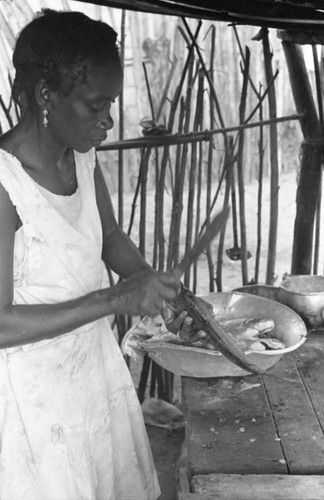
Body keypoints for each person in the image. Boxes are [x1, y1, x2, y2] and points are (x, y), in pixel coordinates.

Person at [0, 9, 196, 500]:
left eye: (110, 102)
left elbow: (108, 237)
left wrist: (152, 282)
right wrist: (114, 301)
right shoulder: (6, 186)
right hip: (30, 400)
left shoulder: (81, 160)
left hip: (90, 373)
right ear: (47, 95)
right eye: (95, 105)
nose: (109, 119)